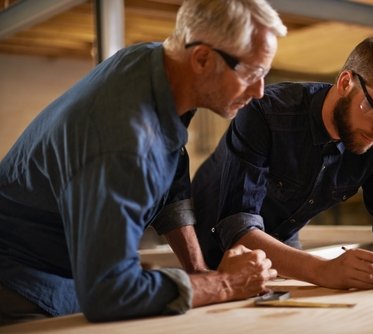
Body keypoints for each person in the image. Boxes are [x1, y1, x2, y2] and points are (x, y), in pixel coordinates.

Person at [0, 0, 287, 326]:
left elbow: (172, 174)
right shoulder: (124, 142)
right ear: (203, 58)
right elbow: (109, 293)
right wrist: (225, 284)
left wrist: (197, 272)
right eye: (252, 73)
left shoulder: (156, 65)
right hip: (19, 282)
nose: (260, 91)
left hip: (71, 272)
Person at [192, 34, 373, 291]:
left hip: (281, 247)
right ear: (346, 83)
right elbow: (237, 227)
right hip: (203, 248)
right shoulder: (265, 114)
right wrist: (323, 271)